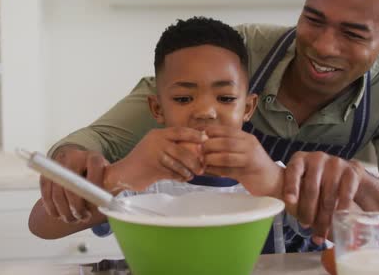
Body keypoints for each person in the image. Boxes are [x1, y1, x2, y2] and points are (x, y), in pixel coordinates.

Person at [31, 0, 379, 253]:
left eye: (353, 34)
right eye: (312, 19)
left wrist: (337, 183)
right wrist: (78, 162)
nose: (324, 46)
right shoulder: (238, 51)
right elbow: (93, 143)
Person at [30, 16, 293, 251]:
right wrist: (120, 176)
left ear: (247, 107)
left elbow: (331, 224)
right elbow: (41, 224)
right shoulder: (142, 183)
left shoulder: (269, 175)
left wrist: (275, 182)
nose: (205, 112)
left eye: (225, 98)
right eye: (182, 98)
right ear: (157, 109)